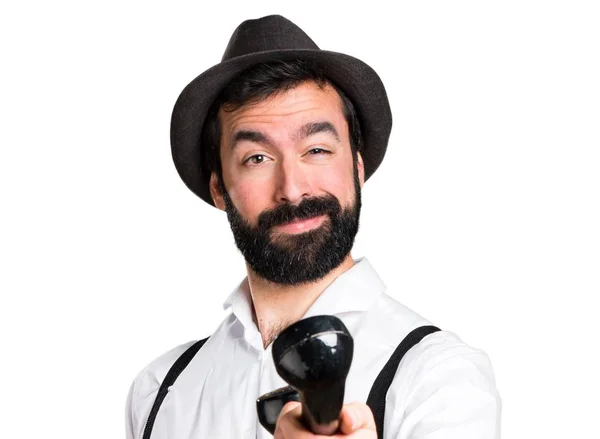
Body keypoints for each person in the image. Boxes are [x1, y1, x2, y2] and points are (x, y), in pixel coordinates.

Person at [125, 14, 501, 439]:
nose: (293, 188)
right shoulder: (160, 392)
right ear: (218, 187)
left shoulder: (436, 377)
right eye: (257, 158)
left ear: (357, 168)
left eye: (317, 149)